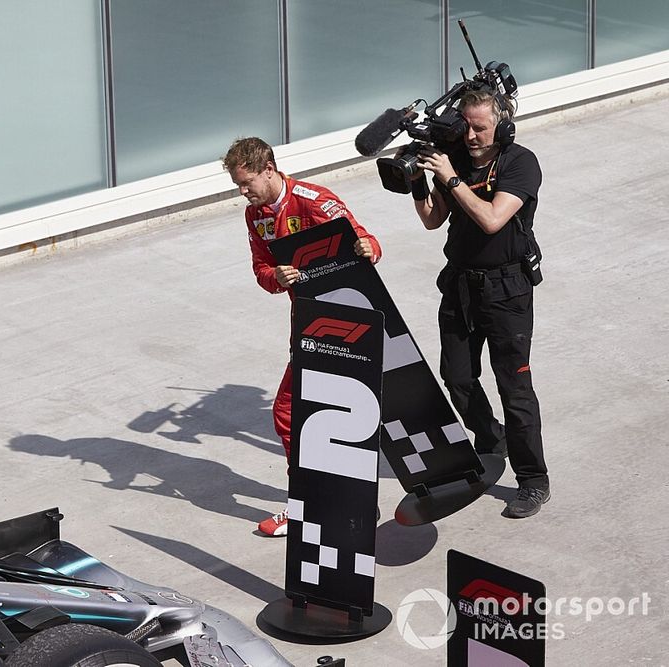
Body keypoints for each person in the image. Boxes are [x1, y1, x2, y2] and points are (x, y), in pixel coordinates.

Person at [221, 137, 382, 536]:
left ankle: (334, 504)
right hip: (307, 322)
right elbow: (261, 267)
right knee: (292, 413)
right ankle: (313, 501)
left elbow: (366, 242)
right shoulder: (253, 215)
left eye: (247, 183)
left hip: (347, 321)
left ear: (269, 169)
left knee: (317, 412)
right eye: (238, 186)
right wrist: (275, 277)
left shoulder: (312, 199)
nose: (244, 193)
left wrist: (368, 248)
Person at [408, 89, 549, 518]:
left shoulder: (520, 163)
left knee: (515, 388)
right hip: (459, 287)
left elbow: (491, 219)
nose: (470, 135)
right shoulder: (458, 159)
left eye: (479, 127)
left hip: (506, 291)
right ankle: (491, 440)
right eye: (465, 126)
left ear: (501, 126)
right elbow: (434, 219)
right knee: (457, 378)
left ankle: (533, 481)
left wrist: (451, 177)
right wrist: (417, 181)